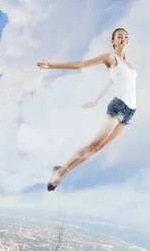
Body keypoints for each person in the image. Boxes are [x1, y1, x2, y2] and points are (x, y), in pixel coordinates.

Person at [35, 28, 137, 192]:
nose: (123, 39)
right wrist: (52, 65)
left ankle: (62, 171)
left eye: (126, 37)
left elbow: (113, 82)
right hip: (118, 108)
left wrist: (95, 100)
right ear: (113, 41)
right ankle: (60, 172)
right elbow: (82, 65)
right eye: (119, 37)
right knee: (93, 145)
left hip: (130, 113)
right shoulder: (110, 57)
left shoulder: (128, 64)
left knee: (98, 148)